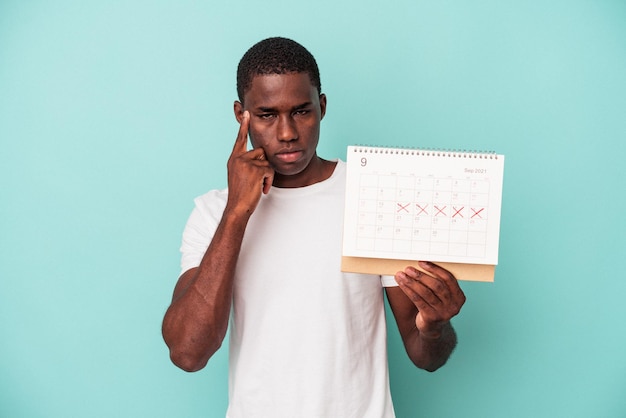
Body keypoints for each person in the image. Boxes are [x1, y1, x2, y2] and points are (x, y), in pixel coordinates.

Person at [162, 37, 466, 417]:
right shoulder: (212, 213)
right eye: (267, 115)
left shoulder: (373, 196)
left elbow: (425, 356)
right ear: (242, 116)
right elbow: (188, 353)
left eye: (301, 111)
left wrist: (435, 327)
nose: (287, 133)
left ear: (321, 107)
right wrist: (237, 214)